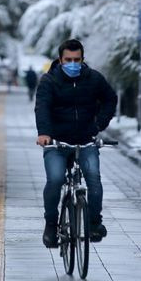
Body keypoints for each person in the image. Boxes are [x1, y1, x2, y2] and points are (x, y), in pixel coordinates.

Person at [35, 39, 118, 247]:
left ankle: (94, 222)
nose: (73, 64)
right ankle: (51, 225)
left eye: (77, 60)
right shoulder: (49, 81)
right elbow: (42, 107)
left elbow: (110, 99)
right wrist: (44, 133)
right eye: (68, 60)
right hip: (57, 143)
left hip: (86, 141)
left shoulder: (94, 79)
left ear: (82, 59)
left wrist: (99, 124)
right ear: (60, 60)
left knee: (94, 179)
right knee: (55, 179)